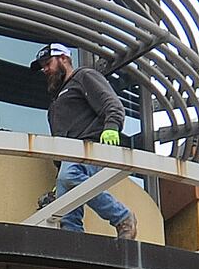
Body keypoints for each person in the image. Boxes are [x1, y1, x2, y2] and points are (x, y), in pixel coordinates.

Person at [30, 43, 137, 239]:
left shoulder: (83, 76)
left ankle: (122, 217)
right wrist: (59, 178)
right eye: (42, 66)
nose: (45, 69)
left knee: (70, 176)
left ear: (64, 59)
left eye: (48, 63)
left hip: (88, 149)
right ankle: (75, 248)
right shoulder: (55, 104)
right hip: (69, 159)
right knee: (68, 214)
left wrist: (112, 127)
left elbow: (112, 104)